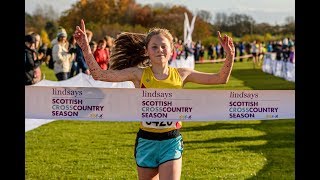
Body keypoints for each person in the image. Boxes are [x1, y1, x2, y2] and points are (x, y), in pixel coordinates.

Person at [73, 19, 235, 180]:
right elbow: (99, 75)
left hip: (171, 141)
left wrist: (229, 56)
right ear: (147, 51)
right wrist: (86, 48)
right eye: (154, 47)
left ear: (172, 49)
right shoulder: (139, 74)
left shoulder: (182, 74)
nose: (160, 50)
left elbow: (220, 78)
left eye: (164, 46)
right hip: (146, 142)